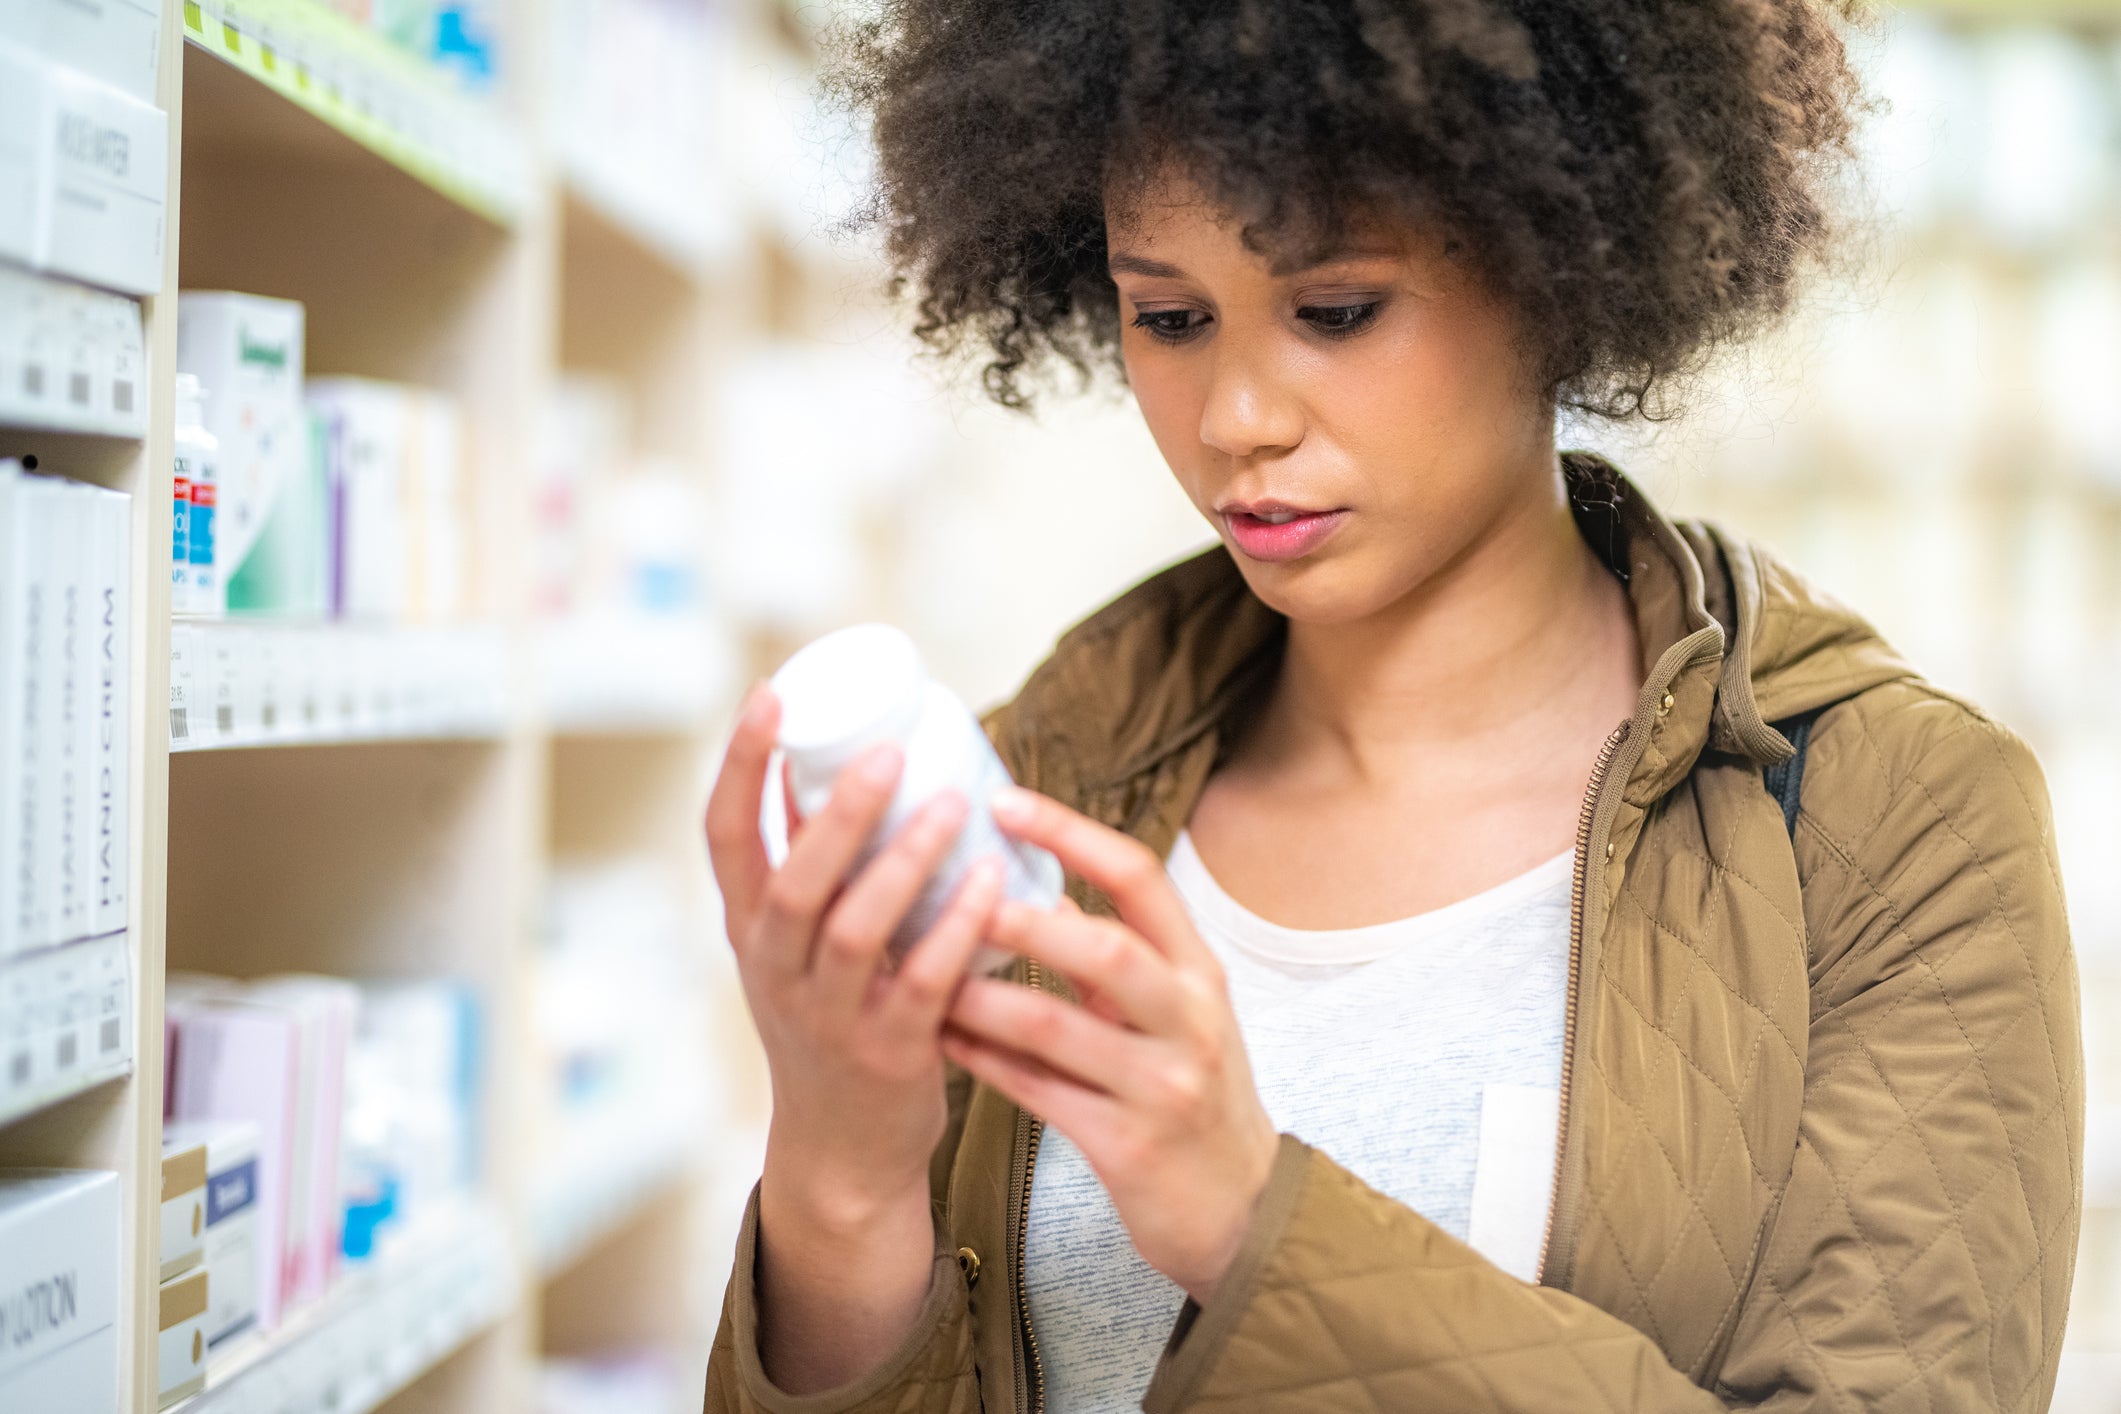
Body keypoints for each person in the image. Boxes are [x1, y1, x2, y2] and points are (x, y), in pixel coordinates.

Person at [702, 2, 2083, 1410]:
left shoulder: (1899, 821)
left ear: (1561, 259)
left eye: (1335, 309)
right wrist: (840, 1180)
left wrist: (1255, 1224)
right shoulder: (1043, 780)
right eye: (1168, 317)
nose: (1236, 413)